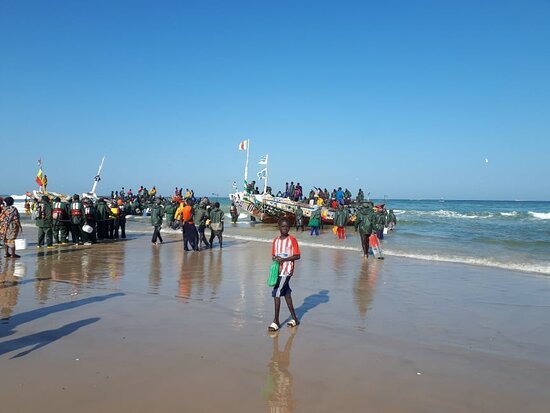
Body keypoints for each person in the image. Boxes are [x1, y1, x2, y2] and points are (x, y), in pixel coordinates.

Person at [268, 218, 301, 332]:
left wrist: (285, 259)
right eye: (283, 226)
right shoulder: (276, 240)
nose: (285, 228)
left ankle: (276, 321)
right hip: (278, 270)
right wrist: (276, 259)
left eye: (287, 226)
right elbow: (273, 255)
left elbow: (297, 255)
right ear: (279, 227)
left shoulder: (292, 240)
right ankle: (295, 319)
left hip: (287, 270)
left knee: (277, 292)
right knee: (286, 293)